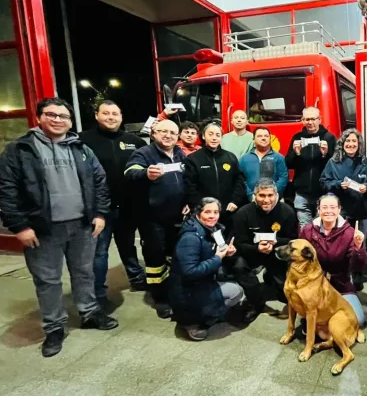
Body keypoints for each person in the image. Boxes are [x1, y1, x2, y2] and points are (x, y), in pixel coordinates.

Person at [0, 98, 118, 358]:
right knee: (48, 280)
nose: (58, 120)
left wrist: (100, 214)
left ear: (70, 121)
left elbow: (99, 182)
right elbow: (5, 189)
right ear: (39, 117)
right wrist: (19, 226)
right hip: (42, 230)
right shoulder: (20, 149)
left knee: (84, 272)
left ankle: (89, 313)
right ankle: (54, 327)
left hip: (83, 225)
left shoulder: (80, 148)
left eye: (63, 116)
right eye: (51, 115)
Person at [79, 100, 147, 302]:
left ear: (121, 117)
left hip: (128, 207)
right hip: (99, 209)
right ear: (97, 116)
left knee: (128, 246)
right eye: (106, 113)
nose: (111, 117)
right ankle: (98, 292)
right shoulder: (82, 141)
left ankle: (136, 277)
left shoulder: (135, 142)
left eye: (115, 114)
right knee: (99, 253)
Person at [125, 119, 187, 319]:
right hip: (153, 218)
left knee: (173, 255)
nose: (168, 135)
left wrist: (188, 201)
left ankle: (174, 290)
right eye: (163, 131)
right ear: (154, 134)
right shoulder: (144, 153)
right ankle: (159, 298)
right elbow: (129, 172)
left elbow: (185, 179)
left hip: (177, 216)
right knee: (155, 259)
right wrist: (145, 174)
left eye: (172, 132)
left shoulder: (179, 153)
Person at [168, 197, 246, 341]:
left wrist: (227, 253)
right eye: (207, 212)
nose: (212, 216)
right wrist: (217, 258)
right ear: (198, 213)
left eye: (216, 212)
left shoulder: (213, 229)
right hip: (187, 290)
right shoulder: (190, 238)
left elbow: (217, 251)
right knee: (236, 292)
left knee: (237, 286)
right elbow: (189, 271)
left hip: (204, 280)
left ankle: (206, 312)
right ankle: (192, 322)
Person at [319, 128, 367, 290]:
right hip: (342, 210)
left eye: (354, 141)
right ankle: (342, 274)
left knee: (360, 242)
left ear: (359, 144)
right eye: (348, 141)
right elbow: (323, 182)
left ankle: (358, 274)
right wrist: (339, 184)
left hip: (362, 210)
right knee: (341, 243)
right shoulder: (333, 162)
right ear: (342, 143)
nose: (351, 144)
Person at [299, 194, 367, 326]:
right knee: (312, 318)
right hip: (315, 282)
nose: (328, 211)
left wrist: (359, 247)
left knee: (357, 321)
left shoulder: (349, 233)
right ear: (318, 210)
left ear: (339, 209)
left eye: (332, 207)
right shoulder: (308, 231)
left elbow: (358, 266)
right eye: (324, 207)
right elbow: (301, 258)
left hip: (340, 283)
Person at [231, 179, 298, 305]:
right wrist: (257, 249)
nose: (266, 200)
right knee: (238, 265)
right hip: (252, 253)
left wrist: (275, 242)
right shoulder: (242, 213)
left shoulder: (287, 212)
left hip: (276, 253)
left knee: (286, 296)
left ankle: (271, 277)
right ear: (254, 195)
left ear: (276, 195)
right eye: (261, 195)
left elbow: (293, 239)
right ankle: (255, 302)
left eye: (270, 195)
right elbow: (239, 243)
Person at [183, 122, 247, 229]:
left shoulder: (230, 157)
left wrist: (235, 201)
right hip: (205, 213)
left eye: (218, 135)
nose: (214, 138)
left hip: (228, 210)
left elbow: (239, 181)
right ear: (203, 136)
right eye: (210, 134)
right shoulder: (193, 159)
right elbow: (190, 186)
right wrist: (200, 207)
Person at [285, 107, 337, 227]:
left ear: (319, 119)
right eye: (307, 119)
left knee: (323, 227)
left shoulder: (329, 137)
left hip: (323, 192)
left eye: (313, 119)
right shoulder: (297, 137)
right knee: (305, 227)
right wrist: (296, 153)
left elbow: (337, 165)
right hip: (302, 192)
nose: (310, 122)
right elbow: (288, 164)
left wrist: (326, 154)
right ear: (302, 121)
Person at [240, 126, 289, 198]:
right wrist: (251, 195)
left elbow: (283, 178)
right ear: (253, 139)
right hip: (249, 200)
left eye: (266, 136)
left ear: (270, 138)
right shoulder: (244, 159)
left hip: (273, 200)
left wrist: (271, 194)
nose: (263, 138)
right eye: (259, 136)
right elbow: (240, 180)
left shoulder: (279, 158)